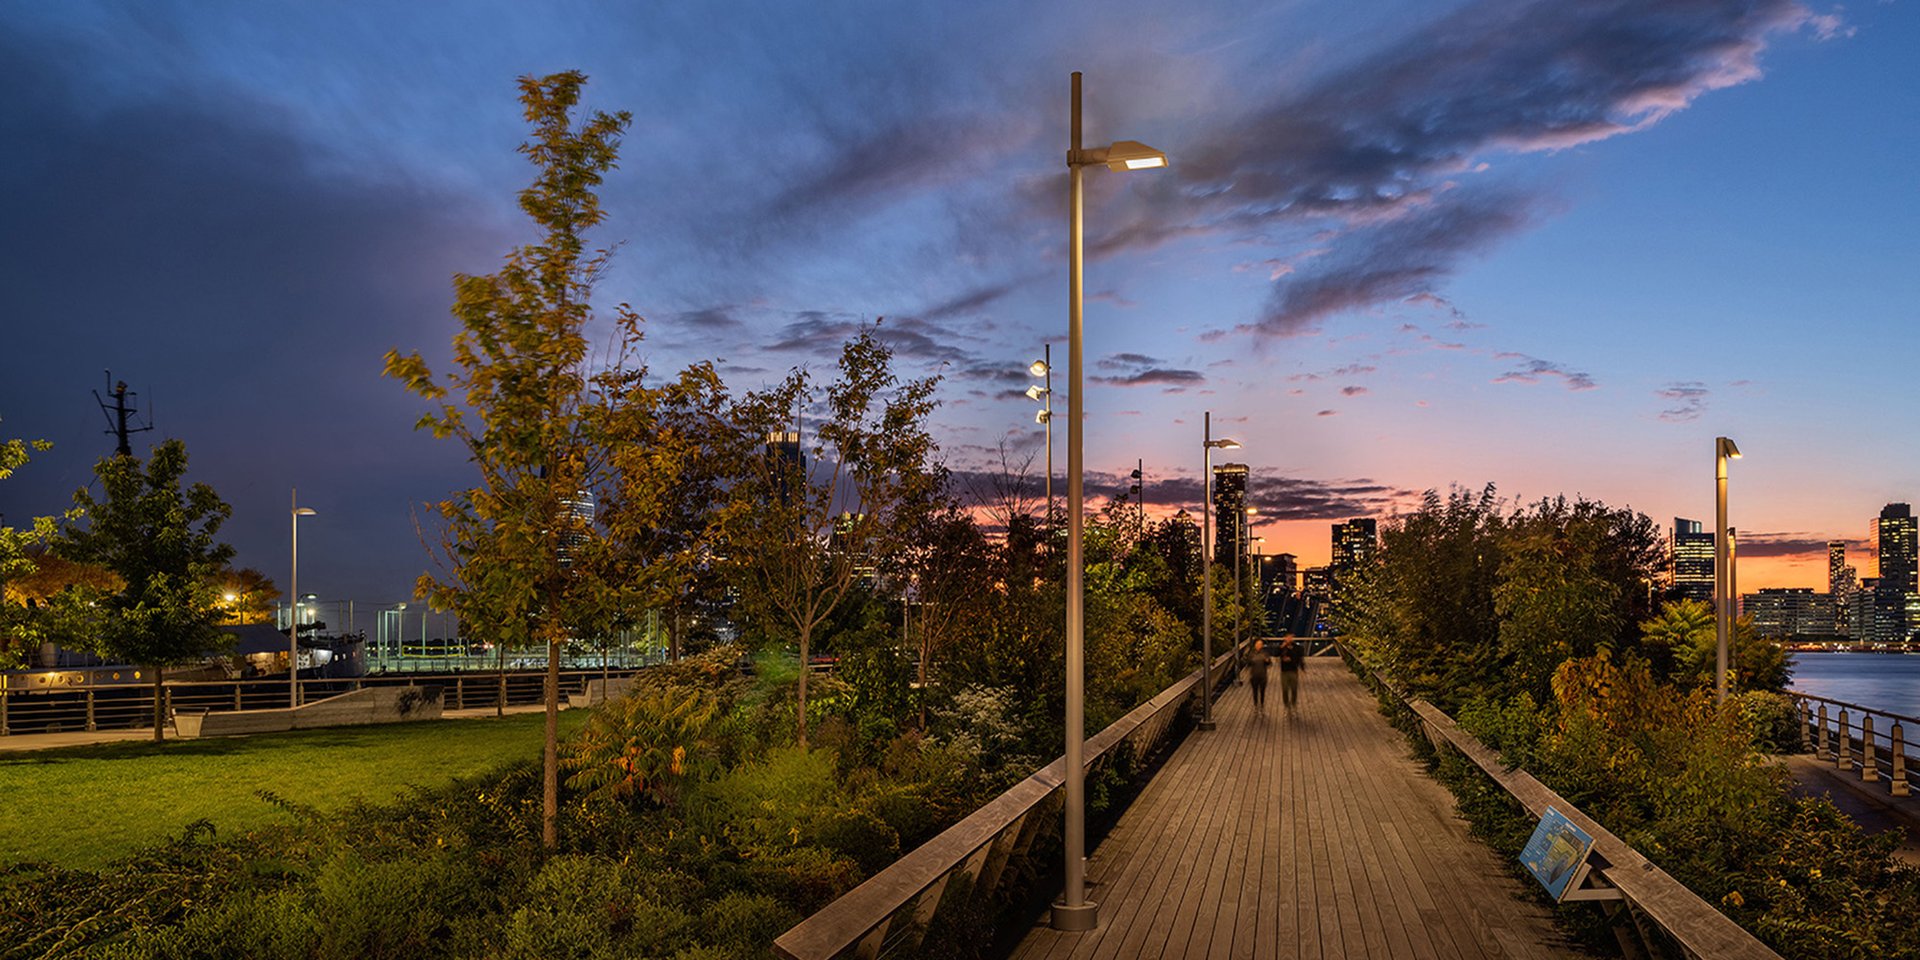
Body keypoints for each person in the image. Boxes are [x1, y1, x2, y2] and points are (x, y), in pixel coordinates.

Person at [1277, 636, 1305, 712]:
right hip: (1284, 671)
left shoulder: (1297, 648)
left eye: (1290, 637)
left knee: (1294, 688)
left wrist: (1302, 668)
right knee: (1285, 688)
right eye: (1287, 637)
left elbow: (1300, 658)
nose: (1288, 639)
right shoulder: (1282, 647)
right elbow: (1276, 654)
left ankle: (1293, 702)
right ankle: (1286, 703)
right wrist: (1281, 647)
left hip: (1293, 670)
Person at [1248, 641, 1270, 710]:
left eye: (1260, 644)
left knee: (1262, 691)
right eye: (1257, 644)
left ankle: (1262, 703)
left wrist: (1267, 661)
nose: (1258, 646)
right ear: (1255, 645)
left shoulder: (1265, 653)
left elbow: (1269, 663)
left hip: (1262, 675)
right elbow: (1248, 663)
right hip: (1254, 675)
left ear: (1262, 645)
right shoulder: (1251, 653)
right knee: (1255, 691)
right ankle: (1255, 703)